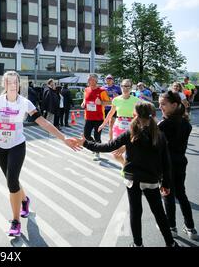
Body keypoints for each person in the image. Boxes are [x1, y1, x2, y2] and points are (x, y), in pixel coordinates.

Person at [0, 71, 80, 237]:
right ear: (4, 84)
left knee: (11, 182)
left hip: (17, 145)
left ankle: (16, 222)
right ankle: (24, 200)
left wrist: (64, 137)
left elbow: (43, 122)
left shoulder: (25, 103)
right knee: (13, 180)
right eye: (9, 82)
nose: (12, 85)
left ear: (19, 84)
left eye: (15, 82)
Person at [77, 101, 179, 247]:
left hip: (133, 179)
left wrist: (85, 143)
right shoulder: (159, 135)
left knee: (135, 213)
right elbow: (166, 163)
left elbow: (107, 147)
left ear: (134, 115)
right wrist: (166, 183)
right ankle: (171, 243)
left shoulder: (130, 133)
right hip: (151, 179)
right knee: (159, 213)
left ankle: (138, 244)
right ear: (152, 115)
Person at [158, 91, 198, 240]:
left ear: (174, 105)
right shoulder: (186, 123)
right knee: (181, 194)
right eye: (160, 103)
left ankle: (171, 227)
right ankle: (190, 228)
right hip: (181, 163)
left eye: (163, 104)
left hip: (166, 166)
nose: (160, 106)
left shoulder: (163, 124)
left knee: (167, 195)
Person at [98, 79, 139, 166]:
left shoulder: (136, 100)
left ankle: (129, 169)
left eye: (127, 86)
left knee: (130, 151)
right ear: (121, 87)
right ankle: (125, 165)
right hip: (118, 126)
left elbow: (139, 116)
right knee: (115, 152)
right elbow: (111, 113)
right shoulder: (116, 100)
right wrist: (103, 124)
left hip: (131, 127)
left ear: (131, 88)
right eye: (123, 86)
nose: (125, 88)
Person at [81, 74, 110, 161]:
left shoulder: (102, 90)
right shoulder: (86, 89)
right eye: (88, 79)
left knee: (97, 137)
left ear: (96, 81)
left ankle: (97, 152)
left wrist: (101, 102)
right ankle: (95, 146)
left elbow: (109, 102)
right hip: (88, 117)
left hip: (99, 118)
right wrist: (83, 103)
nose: (89, 81)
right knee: (86, 135)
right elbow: (85, 99)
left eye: (91, 79)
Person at [102, 74, 122, 141]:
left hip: (114, 108)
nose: (109, 80)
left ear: (113, 80)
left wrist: (117, 96)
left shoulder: (117, 88)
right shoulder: (103, 88)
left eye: (110, 78)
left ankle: (111, 140)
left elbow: (122, 97)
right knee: (109, 125)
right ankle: (113, 136)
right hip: (106, 108)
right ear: (105, 80)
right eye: (107, 78)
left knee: (111, 124)